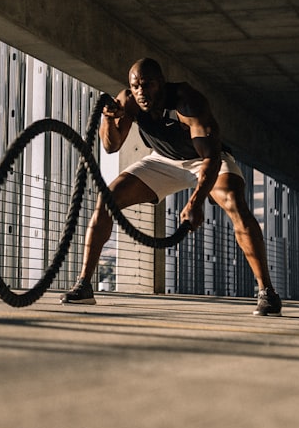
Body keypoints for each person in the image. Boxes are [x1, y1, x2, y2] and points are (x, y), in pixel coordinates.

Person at [61, 57, 282, 316]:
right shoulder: (129, 100)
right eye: (136, 86)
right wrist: (109, 119)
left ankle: (267, 292)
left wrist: (196, 202)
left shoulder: (188, 102)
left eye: (148, 84)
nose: (142, 91)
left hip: (205, 160)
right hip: (162, 161)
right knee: (107, 199)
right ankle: (84, 285)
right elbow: (111, 146)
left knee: (235, 202)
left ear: (162, 83)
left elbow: (211, 158)